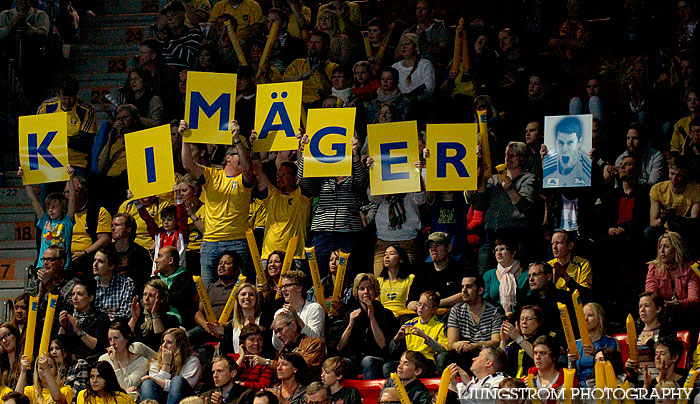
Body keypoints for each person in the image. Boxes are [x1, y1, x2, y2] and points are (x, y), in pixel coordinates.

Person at [180, 119, 255, 286]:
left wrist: (237, 139)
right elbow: (188, 164)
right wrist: (184, 137)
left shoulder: (245, 180)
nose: (243, 158)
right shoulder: (212, 175)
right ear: (228, 157)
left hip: (237, 241)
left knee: (238, 292)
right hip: (210, 243)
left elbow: (248, 168)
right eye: (239, 154)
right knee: (207, 292)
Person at [297, 128, 367, 275]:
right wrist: (305, 153)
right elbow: (304, 182)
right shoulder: (321, 175)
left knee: (348, 274)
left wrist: (355, 156)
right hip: (322, 232)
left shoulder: (354, 172)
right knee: (318, 274)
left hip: (348, 232)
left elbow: (361, 184)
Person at [471, 141, 539, 274]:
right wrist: (483, 181)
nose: (509, 158)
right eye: (507, 154)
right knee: (484, 274)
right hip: (491, 233)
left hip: (514, 233)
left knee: (515, 275)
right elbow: (478, 204)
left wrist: (510, 190)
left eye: (514, 155)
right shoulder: (494, 179)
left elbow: (526, 207)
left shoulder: (528, 178)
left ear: (523, 158)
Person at [336, 273, 398, 380]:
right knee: (339, 364)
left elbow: (383, 345)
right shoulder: (350, 313)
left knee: (367, 361)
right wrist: (351, 324)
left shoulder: (386, 314)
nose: (366, 292)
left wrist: (372, 317)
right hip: (355, 359)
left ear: (375, 291)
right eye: (362, 289)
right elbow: (340, 347)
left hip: (378, 359)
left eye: (370, 288)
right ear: (357, 292)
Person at [437, 274, 503, 373]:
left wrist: (474, 346)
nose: (463, 291)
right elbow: (451, 344)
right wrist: (457, 345)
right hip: (465, 354)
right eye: (462, 287)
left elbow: (496, 341)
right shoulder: (456, 310)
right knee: (443, 357)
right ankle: (447, 387)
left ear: (480, 291)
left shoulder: (494, 311)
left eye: (469, 287)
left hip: (486, 354)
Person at [36, 77, 97, 176]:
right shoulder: (45, 107)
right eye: (64, 98)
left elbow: (87, 143)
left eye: (71, 97)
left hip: (76, 163)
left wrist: (64, 140)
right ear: (58, 94)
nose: (68, 101)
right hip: (50, 160)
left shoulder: (87, 110)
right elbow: (36, 135)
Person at [20, 166, 76, 269]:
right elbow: (34, 200)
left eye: (54, 207)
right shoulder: (45, 220)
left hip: (63, 267)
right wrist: (25, 178)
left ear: (63, 208)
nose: (50, 210)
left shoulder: (67, 221)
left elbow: (72, 200)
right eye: (48, 207)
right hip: (43, 266)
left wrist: (71, 178)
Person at [645, 232, 699, 327]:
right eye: (660, 247)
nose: (661, 251)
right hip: (663, 314)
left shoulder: (690, 269)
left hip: (686, 314)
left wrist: (677, 303)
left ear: (676, 249)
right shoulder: (653, 268)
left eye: (666, 247)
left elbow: (694, 299)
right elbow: (650, 294)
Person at [190, 251, 244, 345]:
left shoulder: (241, 289)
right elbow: (198, 313)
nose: (221, 266)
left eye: (227, 263)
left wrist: (225, 327)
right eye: (220, 263)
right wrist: (207, 327)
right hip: (207, 328)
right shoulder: (209, 288)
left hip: (230, 328)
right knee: (186, 337)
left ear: (237, 269)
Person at [388, 291, 447, 376]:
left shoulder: (439, 326)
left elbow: (443, 350)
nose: (421, 307)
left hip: (426, 360)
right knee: (388, 367)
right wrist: (396, 339)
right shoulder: (409, 324)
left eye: (425, 306)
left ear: (434, 309)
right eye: (419, 304)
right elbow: (391, 351)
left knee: (415, 365)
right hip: (408, 360)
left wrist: (426, 338)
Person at [625, 292, 677, 386]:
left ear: (658, 309)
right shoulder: (636, 332)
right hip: (638, 381)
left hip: (659, 381)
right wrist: (629, 365)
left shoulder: (667, 331)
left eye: (647, 306)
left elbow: (669, 357)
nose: (642, 310)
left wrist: (650, 343)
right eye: (640, 306)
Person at [647, 155, 700, 246]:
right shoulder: (658, 189)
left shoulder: (696, 190)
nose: (674, 179)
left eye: (679, 176)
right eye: (672, 174)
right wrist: (662, 218)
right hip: (664, 229)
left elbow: (694, 219)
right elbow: (653, 222)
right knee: (649, 232)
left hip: (684, 228)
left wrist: (677, 218)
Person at [65, 176, 112, 275]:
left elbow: (104, 239)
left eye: (74, 191)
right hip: (65, 255)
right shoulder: (62, 213)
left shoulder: (98, 211)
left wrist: (84, 253)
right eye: (67, 192)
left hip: (88, 255)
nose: (69, 195)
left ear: (83, 192)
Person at [140, 328, 201, 404]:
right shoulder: (155, 361)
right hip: (161, 398)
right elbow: (157, 386)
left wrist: (156, 380)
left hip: (185, 400)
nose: (164, 345)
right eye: (163, 342)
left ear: (180, 346)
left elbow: (180, 387)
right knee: (147, 383)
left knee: (177, 380)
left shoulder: (192, 361)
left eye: (169, 342)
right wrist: (166, 365)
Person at [406, 232, 464, 312]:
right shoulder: (422, 272)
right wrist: (421, 306)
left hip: (450, 314)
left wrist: (434, 304)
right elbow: (410, 302)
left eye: (438, 245)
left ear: (448, 248)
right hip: (424, 316)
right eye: (431, 246)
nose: (433, 249)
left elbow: (464, 295)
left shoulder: (460, 269)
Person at [134, 194, 189, 275]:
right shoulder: (159, 234)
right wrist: (136, 202)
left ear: (176, 220)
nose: (166, 222)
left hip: (177, 273)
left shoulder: (181, 233)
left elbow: (182, 217)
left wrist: (178, 198)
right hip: (158, 273)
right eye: (163, 220)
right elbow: (148, 220)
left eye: (169, 219)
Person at [272, 270, 325, 350]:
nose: (283, 290)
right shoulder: (279, 313)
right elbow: (277, 345)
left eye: (287, 285)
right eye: (282, 287)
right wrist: (277, 330)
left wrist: (296, 317)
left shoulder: (314, 308)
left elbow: (314, 339)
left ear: (299, 287)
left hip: (312, 356)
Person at [566, 303, 618, 384]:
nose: (585, 319)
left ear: (599, 320)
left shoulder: (610, 342)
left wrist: (595, 353)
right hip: (580, 386)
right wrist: (572, 362)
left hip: (601, 383)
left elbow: (614, 368)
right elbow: (571, 373)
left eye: (590, 315)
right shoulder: (575, 344)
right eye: (583, 315)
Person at [58, 278, 111, 358]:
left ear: (90, 298)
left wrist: (79, 331)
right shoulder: (69, 316)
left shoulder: (101, 318)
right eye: (73, 294)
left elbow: (98, 347)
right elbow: (60, 346)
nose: (75, 298)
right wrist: (63, 326)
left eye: (80, 294)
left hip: (92, 361)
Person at [283, 31, 338, 106]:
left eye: (317, 42)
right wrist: (300, 77)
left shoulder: (333, 67)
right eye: (311, 42)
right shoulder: (298, 63)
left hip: (319, 104)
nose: (313, 45)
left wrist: (322, 72)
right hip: (296, 102)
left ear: (326, 46)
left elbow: (333, 90)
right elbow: (284, 81)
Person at [98, 321, 151, 395]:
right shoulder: (103, 359)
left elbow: (125, 386)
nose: (112, 343)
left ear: (127, 338)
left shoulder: (141, 362)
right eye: (110, 339)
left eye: (116, 338)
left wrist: (115, 363)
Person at [128, 279, 180, 351]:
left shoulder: (171, 320)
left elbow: (161, 344)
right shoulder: (139, 317)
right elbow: (124, 339)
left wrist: (155, 315)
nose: (146, 299)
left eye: (151, 295)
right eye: (145, 294)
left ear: (162, 298)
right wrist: (134, 318)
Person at [270, 311, 325, 378]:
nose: (278, 335)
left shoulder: (314, 344)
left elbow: (303, 369)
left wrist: (268, 363)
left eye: (280, 330)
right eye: (276, 332)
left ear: (293, 325)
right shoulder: (282, 351)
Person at [482, 239, 528, 317]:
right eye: (496, 250)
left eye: (502, 249)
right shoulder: (489, 275)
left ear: (513, 252)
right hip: (495, 320)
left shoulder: (526, 274)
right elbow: (484, 301)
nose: (498, 253)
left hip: (521, 319)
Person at [107, 213, 152, 294]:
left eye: (117, 225)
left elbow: (143, 280)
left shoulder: (141, 253)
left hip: (132, 291)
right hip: (109, 291)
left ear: (128, 229)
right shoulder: (106, 251)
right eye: (112, 225)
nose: (113, 229)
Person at [526, 335, 579, 404]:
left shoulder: (567, 381)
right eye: (535, 353)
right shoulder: (527, 380)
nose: (537, 357)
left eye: (542, 353)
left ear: (554, 356)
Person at [542, 116, 592, 188]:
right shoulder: (547, 167)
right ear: (555, 142)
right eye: (560, 143)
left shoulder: (587, 170)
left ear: (579, 142)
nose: (564, 149)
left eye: (570, 143)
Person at [154, 246, 198, 328]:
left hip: (179, 322)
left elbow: (182, 298)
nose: (156, 260)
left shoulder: (186, 278)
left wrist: (159, 298)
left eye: (160, 256)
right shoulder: (154, 279)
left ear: (170, 260)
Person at [500, 305, 547, 378]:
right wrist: (503, 341)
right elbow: (499, 364)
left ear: (539, 322)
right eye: (522, 319)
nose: (524, 322)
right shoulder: (513, 344)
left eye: (529, 319)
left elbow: (539, 357)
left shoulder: (545, 340)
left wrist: (518, 338)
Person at [391, 33, 435, 102]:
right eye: (402, 45)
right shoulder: (394, 67)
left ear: (415, 47)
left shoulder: (425, 64)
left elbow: (428, 88)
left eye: (407, 44)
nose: (403, 47)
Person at [159, 1, 204, 68]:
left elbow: (189, 58)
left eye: (173, 15)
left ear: (183, 16)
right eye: (167, 16)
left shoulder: (193, 33)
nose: (169, 19)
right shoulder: (163, 36)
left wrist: (168, 42)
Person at [93, 249, 134, 321]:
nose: (95, 264)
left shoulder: (126, 283)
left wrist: (101, 315)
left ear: (111, 266)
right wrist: (109, 313)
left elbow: (126, 313)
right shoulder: (90, 282)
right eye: (94, 260)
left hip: (116, 327)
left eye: (100, 261)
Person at [377, 245, 415, 316]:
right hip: (384, 316)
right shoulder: (379, 281)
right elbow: (376, 303)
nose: (387, 257)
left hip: (402, 315)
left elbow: (409, 301)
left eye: (391, 254)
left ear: (401, 259)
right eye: (385, 254)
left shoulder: (410, 278)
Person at [234, 324, 274, 390]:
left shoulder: (264, 363)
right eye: (252, 340)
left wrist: (241, 384)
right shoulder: (231, 358)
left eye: (260, 340)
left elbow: (264, 386)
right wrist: (241, 359)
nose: (256, 343)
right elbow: (226, 377)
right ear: (243, 342)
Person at [229, 284, 264, 354]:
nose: (247, 297)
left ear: (256, 299)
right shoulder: (231, 325)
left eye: (251, 295)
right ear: (237, 298)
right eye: (243, 294)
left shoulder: (264, 319)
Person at [0, 324, 21, 389]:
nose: (4, 341)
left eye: (7, 335)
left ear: (15, 335)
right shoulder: (2, 366)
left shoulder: (25, 360)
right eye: (0, 339)